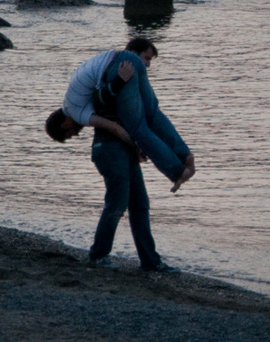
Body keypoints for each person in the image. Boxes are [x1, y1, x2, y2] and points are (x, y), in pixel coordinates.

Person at [44, 39, 195, 271]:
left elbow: (114, 121)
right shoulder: (87, 100)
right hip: (111, 149)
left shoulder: (78, 109)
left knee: (134, 203)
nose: (77, 133)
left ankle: (148, 260)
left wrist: (135, 145)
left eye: (71, 134)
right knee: (123, 203)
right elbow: (109, 109)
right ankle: (103, 255)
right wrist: (136, 147)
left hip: (114, 147)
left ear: (64, 124)